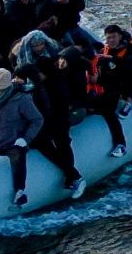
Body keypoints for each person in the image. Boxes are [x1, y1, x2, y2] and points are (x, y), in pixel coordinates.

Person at [0, 67, 44, 207]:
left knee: (18, 158)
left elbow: (37, 119)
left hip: (13, 143)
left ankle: (20, 191)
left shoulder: (22, 98)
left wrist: (25, 139)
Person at [24, 60, 87, 201]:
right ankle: (73, 176)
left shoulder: (53, 84)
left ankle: (74, 177)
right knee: (52, 145)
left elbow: (57, 103)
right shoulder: (41, 85)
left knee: (62, 144)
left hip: (58, 120)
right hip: (52, 120)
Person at [89, 25, 132, 157]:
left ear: (120, 36)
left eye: (113, 37)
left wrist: (100, 79)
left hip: (130, 83)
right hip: (111, 84)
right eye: (108, 38)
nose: (111, 40)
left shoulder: (130, 50)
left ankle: (121, 144)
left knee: (108, 111)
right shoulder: (105, 51)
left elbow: (123, 72)